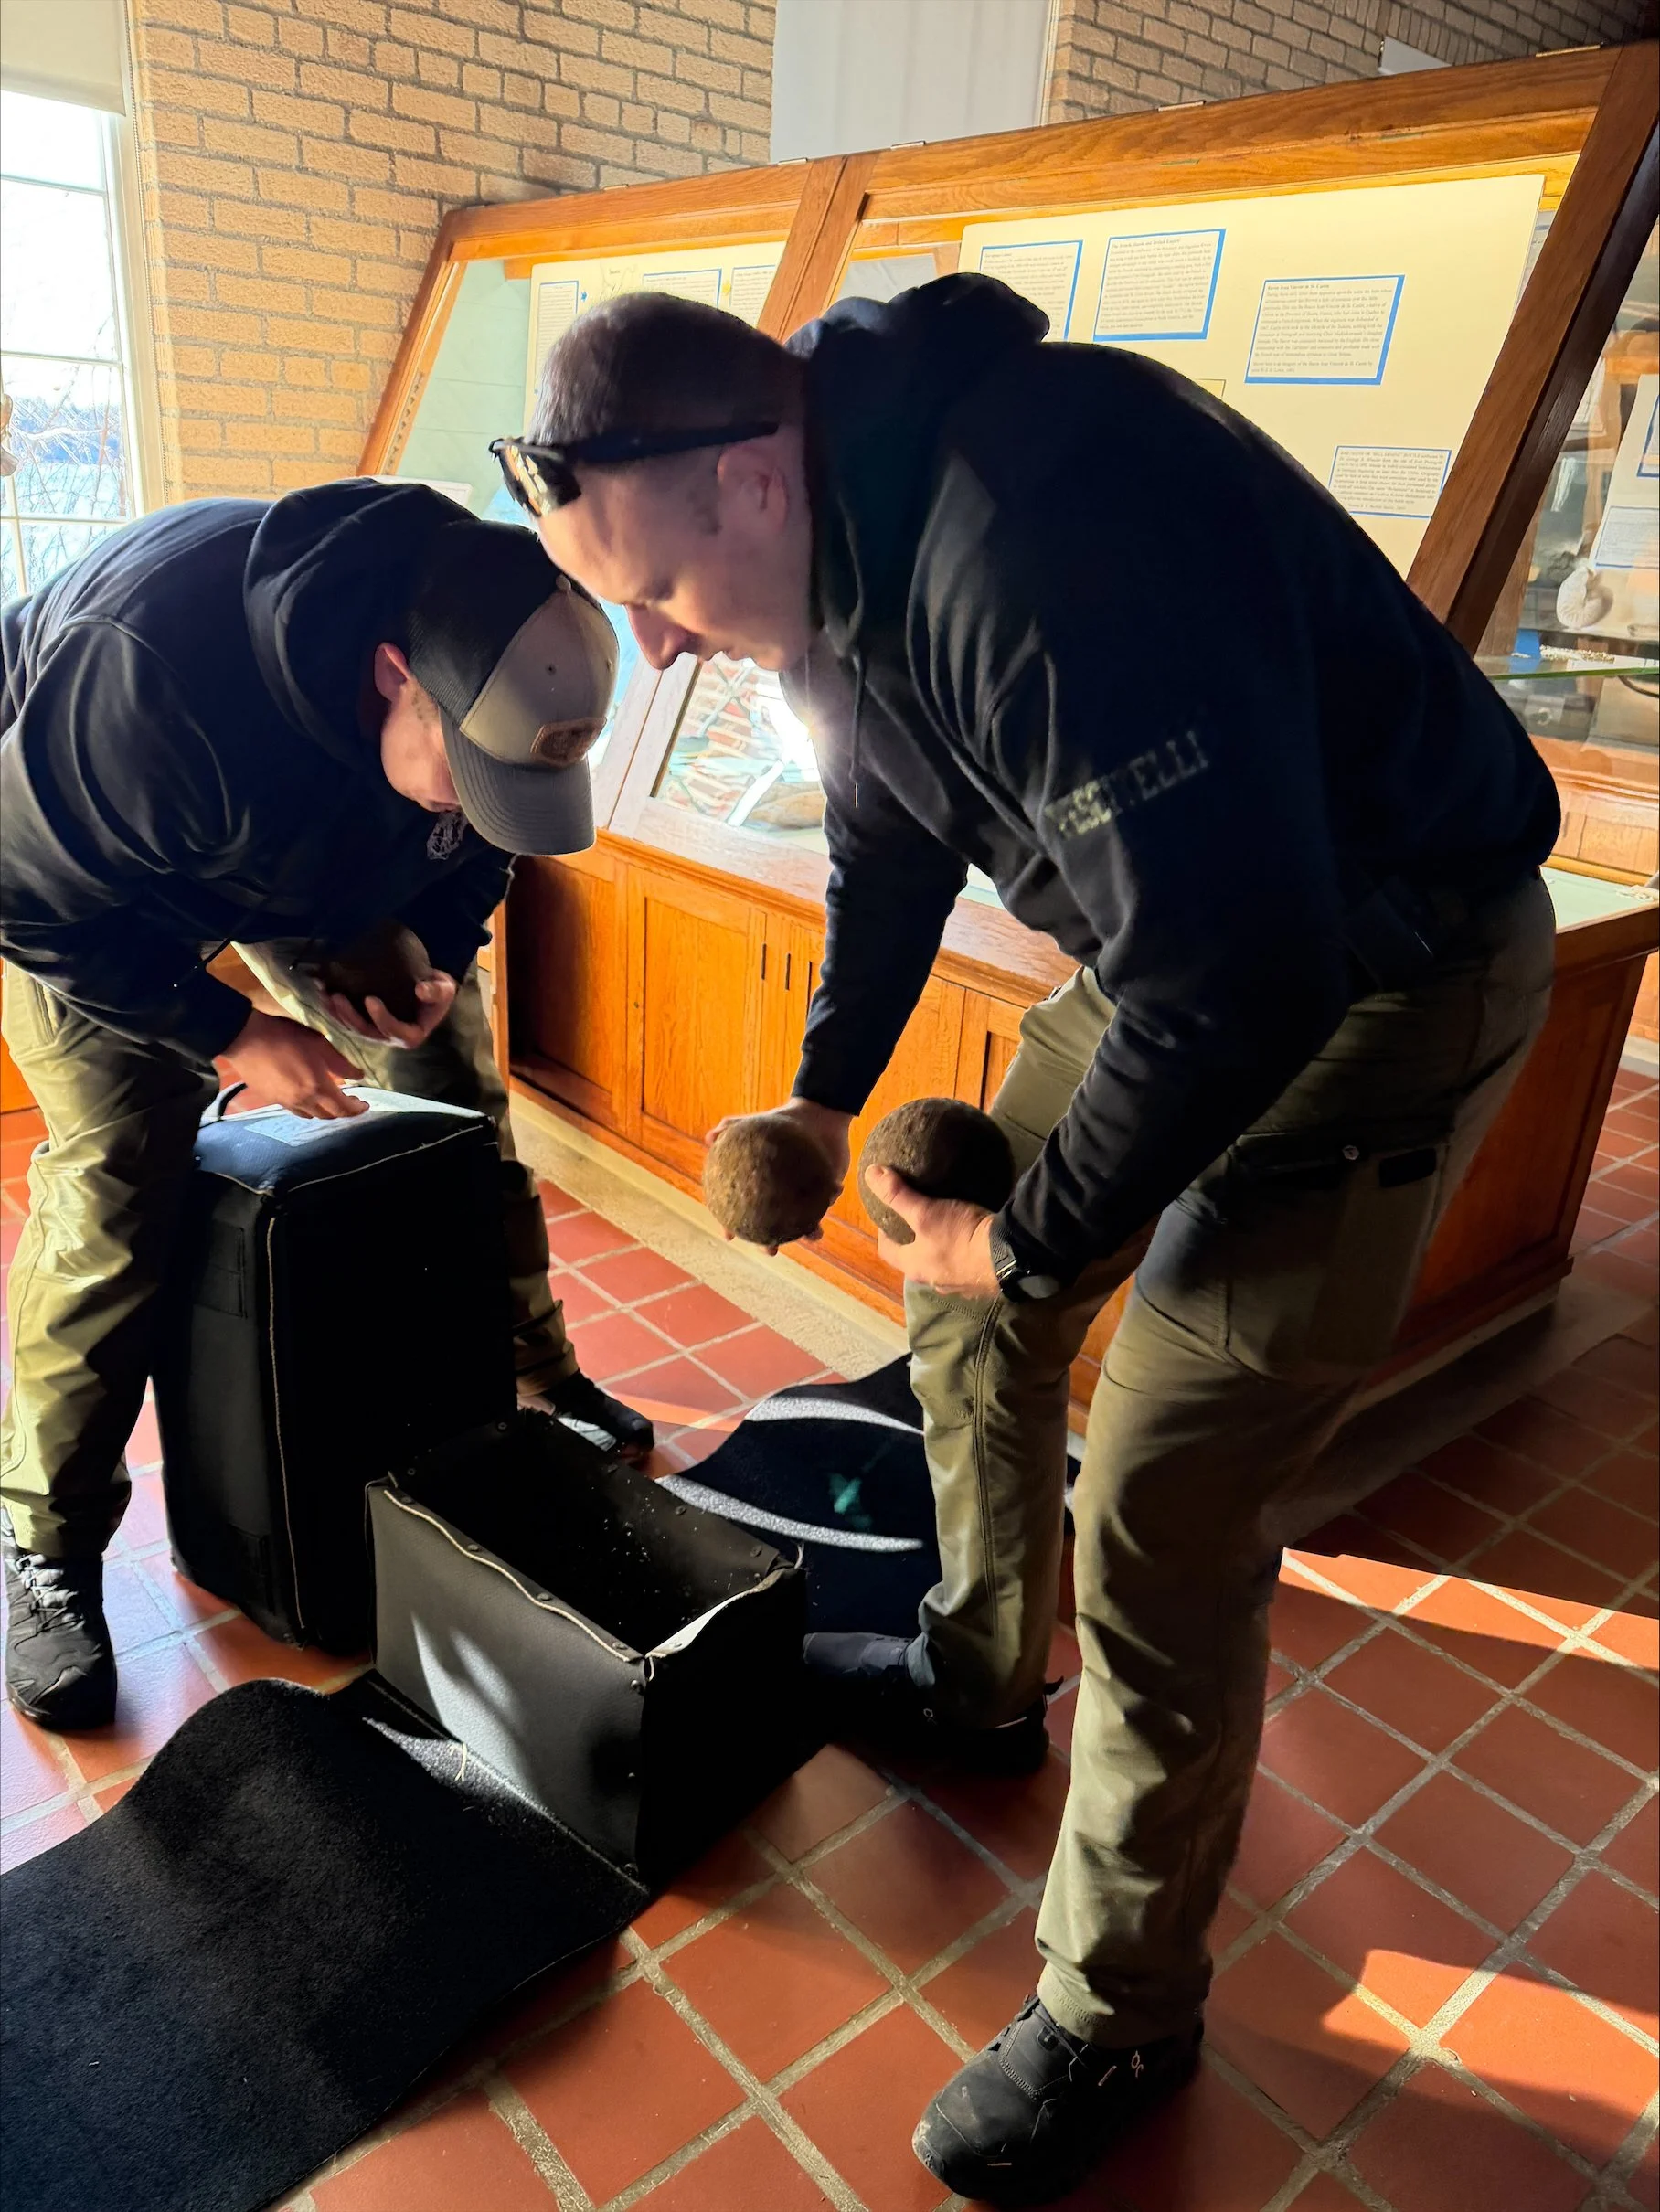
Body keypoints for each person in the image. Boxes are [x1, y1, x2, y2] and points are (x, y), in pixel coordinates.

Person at [499, 279, 1561, 2206]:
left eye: (650, 597)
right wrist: (830, 1099)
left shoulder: (1038, 539)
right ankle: (980, 1673)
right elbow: (885, 833)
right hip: (1196, 958)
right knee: (946, 1290)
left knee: (1160, 1496)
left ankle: (1115, 2009)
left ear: (748, 476)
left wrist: (1044, 1242)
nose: (645, 654)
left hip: (1380, 976)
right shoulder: (829, 548)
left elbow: (1248, 972)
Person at [0, 478, 656, 1735]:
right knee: (119, 1178)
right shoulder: (147, 685)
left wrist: (436, 953)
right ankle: (47, 1544)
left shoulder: (498, 644)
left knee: (459, 1110)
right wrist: (236, 1032)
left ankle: (538, 1373)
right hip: (91, 886)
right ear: (396, 674)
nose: (475, 802)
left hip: (323, 846)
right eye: (463, 770)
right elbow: (27, 904)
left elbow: (483, 839)